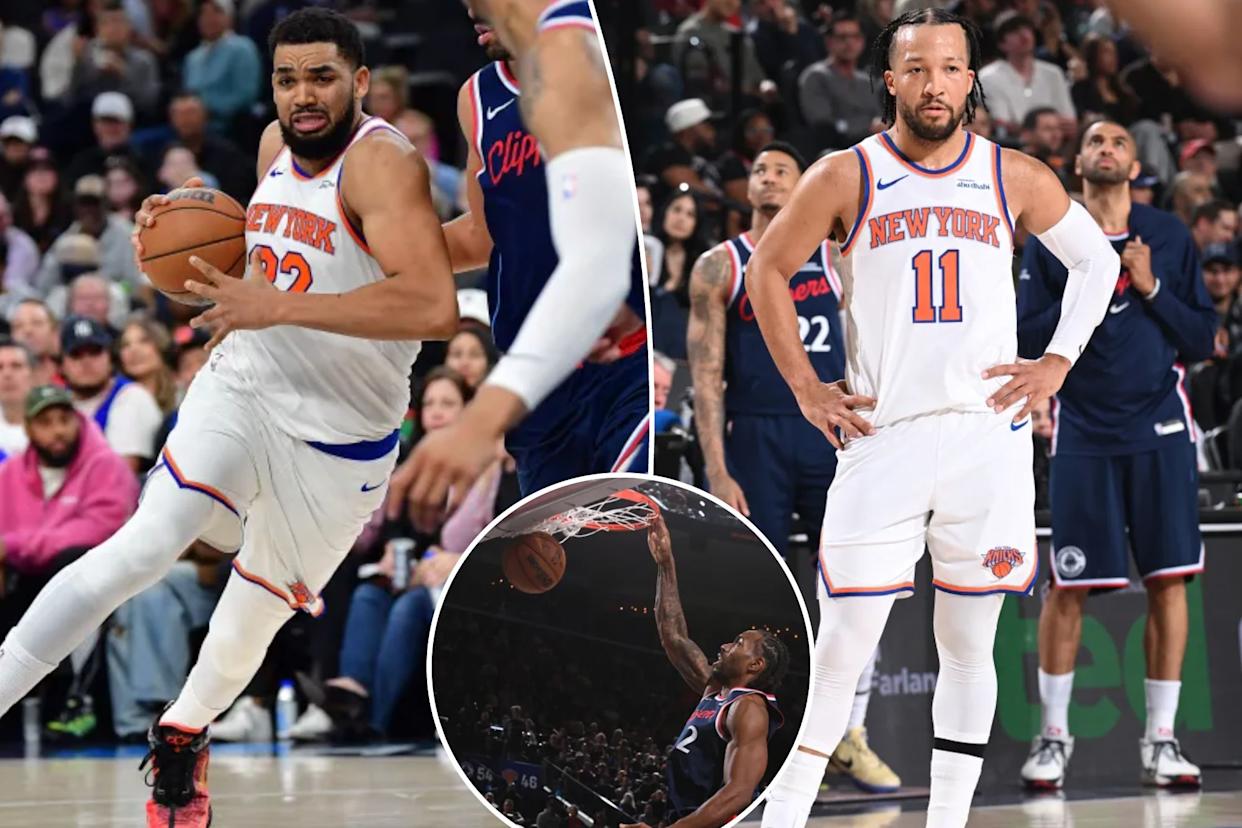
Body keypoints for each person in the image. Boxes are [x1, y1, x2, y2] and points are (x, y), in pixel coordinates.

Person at [0, 9, 458, 827]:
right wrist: (174, 246)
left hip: (339, 438)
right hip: (244, 386)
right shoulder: (272, 149)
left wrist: (276, 304)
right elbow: (253, 270)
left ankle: (182, 733)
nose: (303, 95)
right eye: (287, 79)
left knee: (254, 609)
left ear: (359, 81)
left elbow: (430, 303)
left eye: (321, 77)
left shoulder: (383, 165)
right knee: (136, 552)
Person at [751, 10, 1119, 827]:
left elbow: (1098, 260)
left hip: (986, 437)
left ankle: (946, 822)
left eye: (951, 68)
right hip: (885, 436)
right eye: (918, 69)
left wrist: (1057, 360)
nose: (935, 84)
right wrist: (807, 389)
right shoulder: (846, 173)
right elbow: (767, 271)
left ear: (969, 78)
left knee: (968, 646)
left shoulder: (1013, 175)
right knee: (842, 646)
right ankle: (784, 819)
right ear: (890, 79)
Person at [685, 141, 900, 794]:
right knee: (766, 597)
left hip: (829, 430)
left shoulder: (839, 256)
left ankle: (849, 733)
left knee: (855, 584)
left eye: (783, 168)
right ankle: (777, 748)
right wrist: (717, 471)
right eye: (758, 168)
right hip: (755, 438)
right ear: (747, 190)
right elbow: (706, 377)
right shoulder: (718, 265)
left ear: (805, 184)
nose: (769, 175)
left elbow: (874, 346)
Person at [389, 0, 649, 522]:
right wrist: (369, 255)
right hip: (539, 377)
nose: (470, 11)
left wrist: (481, 419)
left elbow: (599, 256)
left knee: (628, 544)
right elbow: (481, 238)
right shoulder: (478, 97)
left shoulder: (587, 49)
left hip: (623, 364)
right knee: (563, 571)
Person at [1017, 121, 1214, 791]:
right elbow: (1022, 331)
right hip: (1083, 431)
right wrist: (1090, 283)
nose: (1106, 149)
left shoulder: (1168, 234)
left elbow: (1204, 339)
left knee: (1168, 578)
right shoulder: (1052, 236)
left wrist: (1152, 286)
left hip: (1159, 426)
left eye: (1118, 143)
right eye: (1095, 142)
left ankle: (1161, 740)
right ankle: (1052, 740)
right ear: (1077, 162)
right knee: (1067, 585)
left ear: (1134, 165)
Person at [623, 513, 785, 828]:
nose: (725, 646)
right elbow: (674, 636)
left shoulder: (749, 708)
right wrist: (665, 563)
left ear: (755, 665)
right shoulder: (717, 690)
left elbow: (738, 794)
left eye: (738, 644)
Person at [0, 385, 138, 625]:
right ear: (29, 429)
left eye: (65, 420)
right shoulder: (10, 473)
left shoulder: (106, 466)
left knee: (70, 559)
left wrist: (13, 546)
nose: (58, 431)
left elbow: (96, 531)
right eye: (46, 423)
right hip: (23, 580)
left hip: (88, 582)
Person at [60, 315, 163, 471]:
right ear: (62, 365)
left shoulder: (132, 397)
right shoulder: (56, 403)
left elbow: (120, 474)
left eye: (95, 352)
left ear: (110, 358)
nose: (86, 361)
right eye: (76, 354)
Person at [976, 12, 1074, 134]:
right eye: (1014, 31)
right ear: (1002, 44)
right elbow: (1002, 124)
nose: (1024, 35)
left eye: (1027, 29)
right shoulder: (988, 77)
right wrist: (1049, 127)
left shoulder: (1054, 73)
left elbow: (1070, 123)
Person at [798, 12, 883, 147]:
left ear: (862, 42)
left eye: (855, 37)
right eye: (842, 37)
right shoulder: (815, 76)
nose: (849, 42)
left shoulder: (867, 81)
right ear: (829, 42)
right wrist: (867, 127)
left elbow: (879, 119)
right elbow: (824, 126)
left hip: (873, 148)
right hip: (835, 149)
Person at [182, 0, 261, 132]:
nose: (209, 18)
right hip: (191, 124)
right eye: (204, 13)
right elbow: (188, 92)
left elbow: (246, 94)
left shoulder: (242, 48)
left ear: (230, 18)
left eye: (216, 12)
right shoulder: (193, 57)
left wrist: (207, 110)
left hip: (229, 125)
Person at [118, 317, 178, 415]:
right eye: (126, 345)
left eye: (144, 341)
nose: (133, 349)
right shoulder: (115, 402)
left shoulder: (184, 397)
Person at [7, 298, 59, 385]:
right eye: (19, 326)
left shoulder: (72, 376)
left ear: (54, 331)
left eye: (37, 323)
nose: (28, 331)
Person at [0, 337, 34, 458]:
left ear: (33, 374)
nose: (7, 374)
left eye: (16, 366)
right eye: (0, 367)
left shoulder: (54, 422)